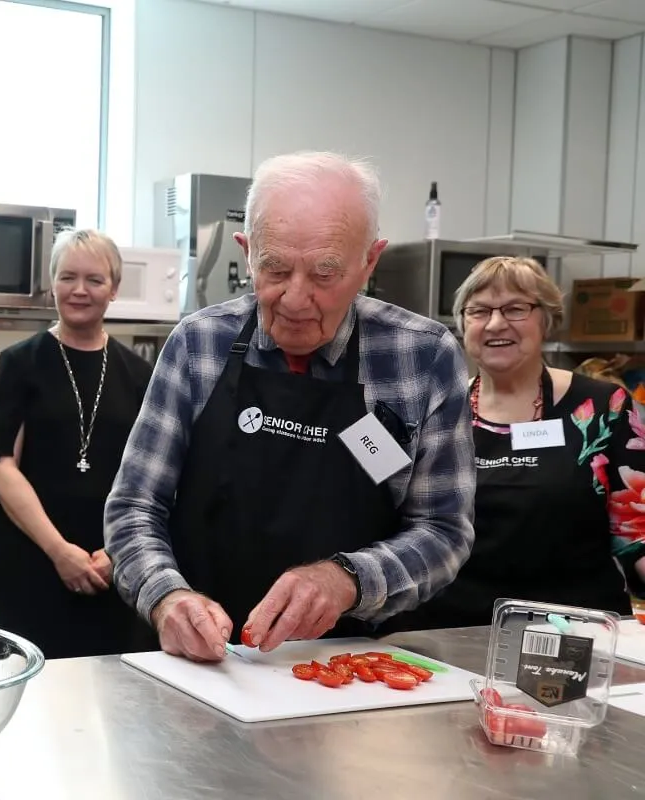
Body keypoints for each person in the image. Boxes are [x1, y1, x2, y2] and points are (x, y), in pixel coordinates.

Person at [104, 151, 476, 662]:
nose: (296, 300)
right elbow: (134, 508)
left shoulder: (421, 356)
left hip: (344, 672)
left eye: (326, 275)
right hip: (200, 664)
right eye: (275, 269)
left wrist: (348, 578)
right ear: (246, 251)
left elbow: (442, 531)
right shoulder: (198, 344)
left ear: (370, 261)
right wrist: (167, 596)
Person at [381, 257, 645, 631]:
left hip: (572, 635)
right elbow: (384, 510)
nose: (495, 324)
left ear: (547, 318)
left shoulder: (605, 409)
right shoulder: (431, 409)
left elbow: (639, 532)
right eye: (479, 311)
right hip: (444, 637)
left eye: (515, 309)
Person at [0, 228, 152, 658]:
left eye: (94, 280)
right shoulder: (21, 362)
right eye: (67, 277)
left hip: (108, 568)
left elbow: (147, 477)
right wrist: (60, 551)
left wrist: (116, 552)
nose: (79, 290)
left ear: (113, 289)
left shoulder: (138, 374)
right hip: (31, 561)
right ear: (52, 284)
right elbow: (1, 466)